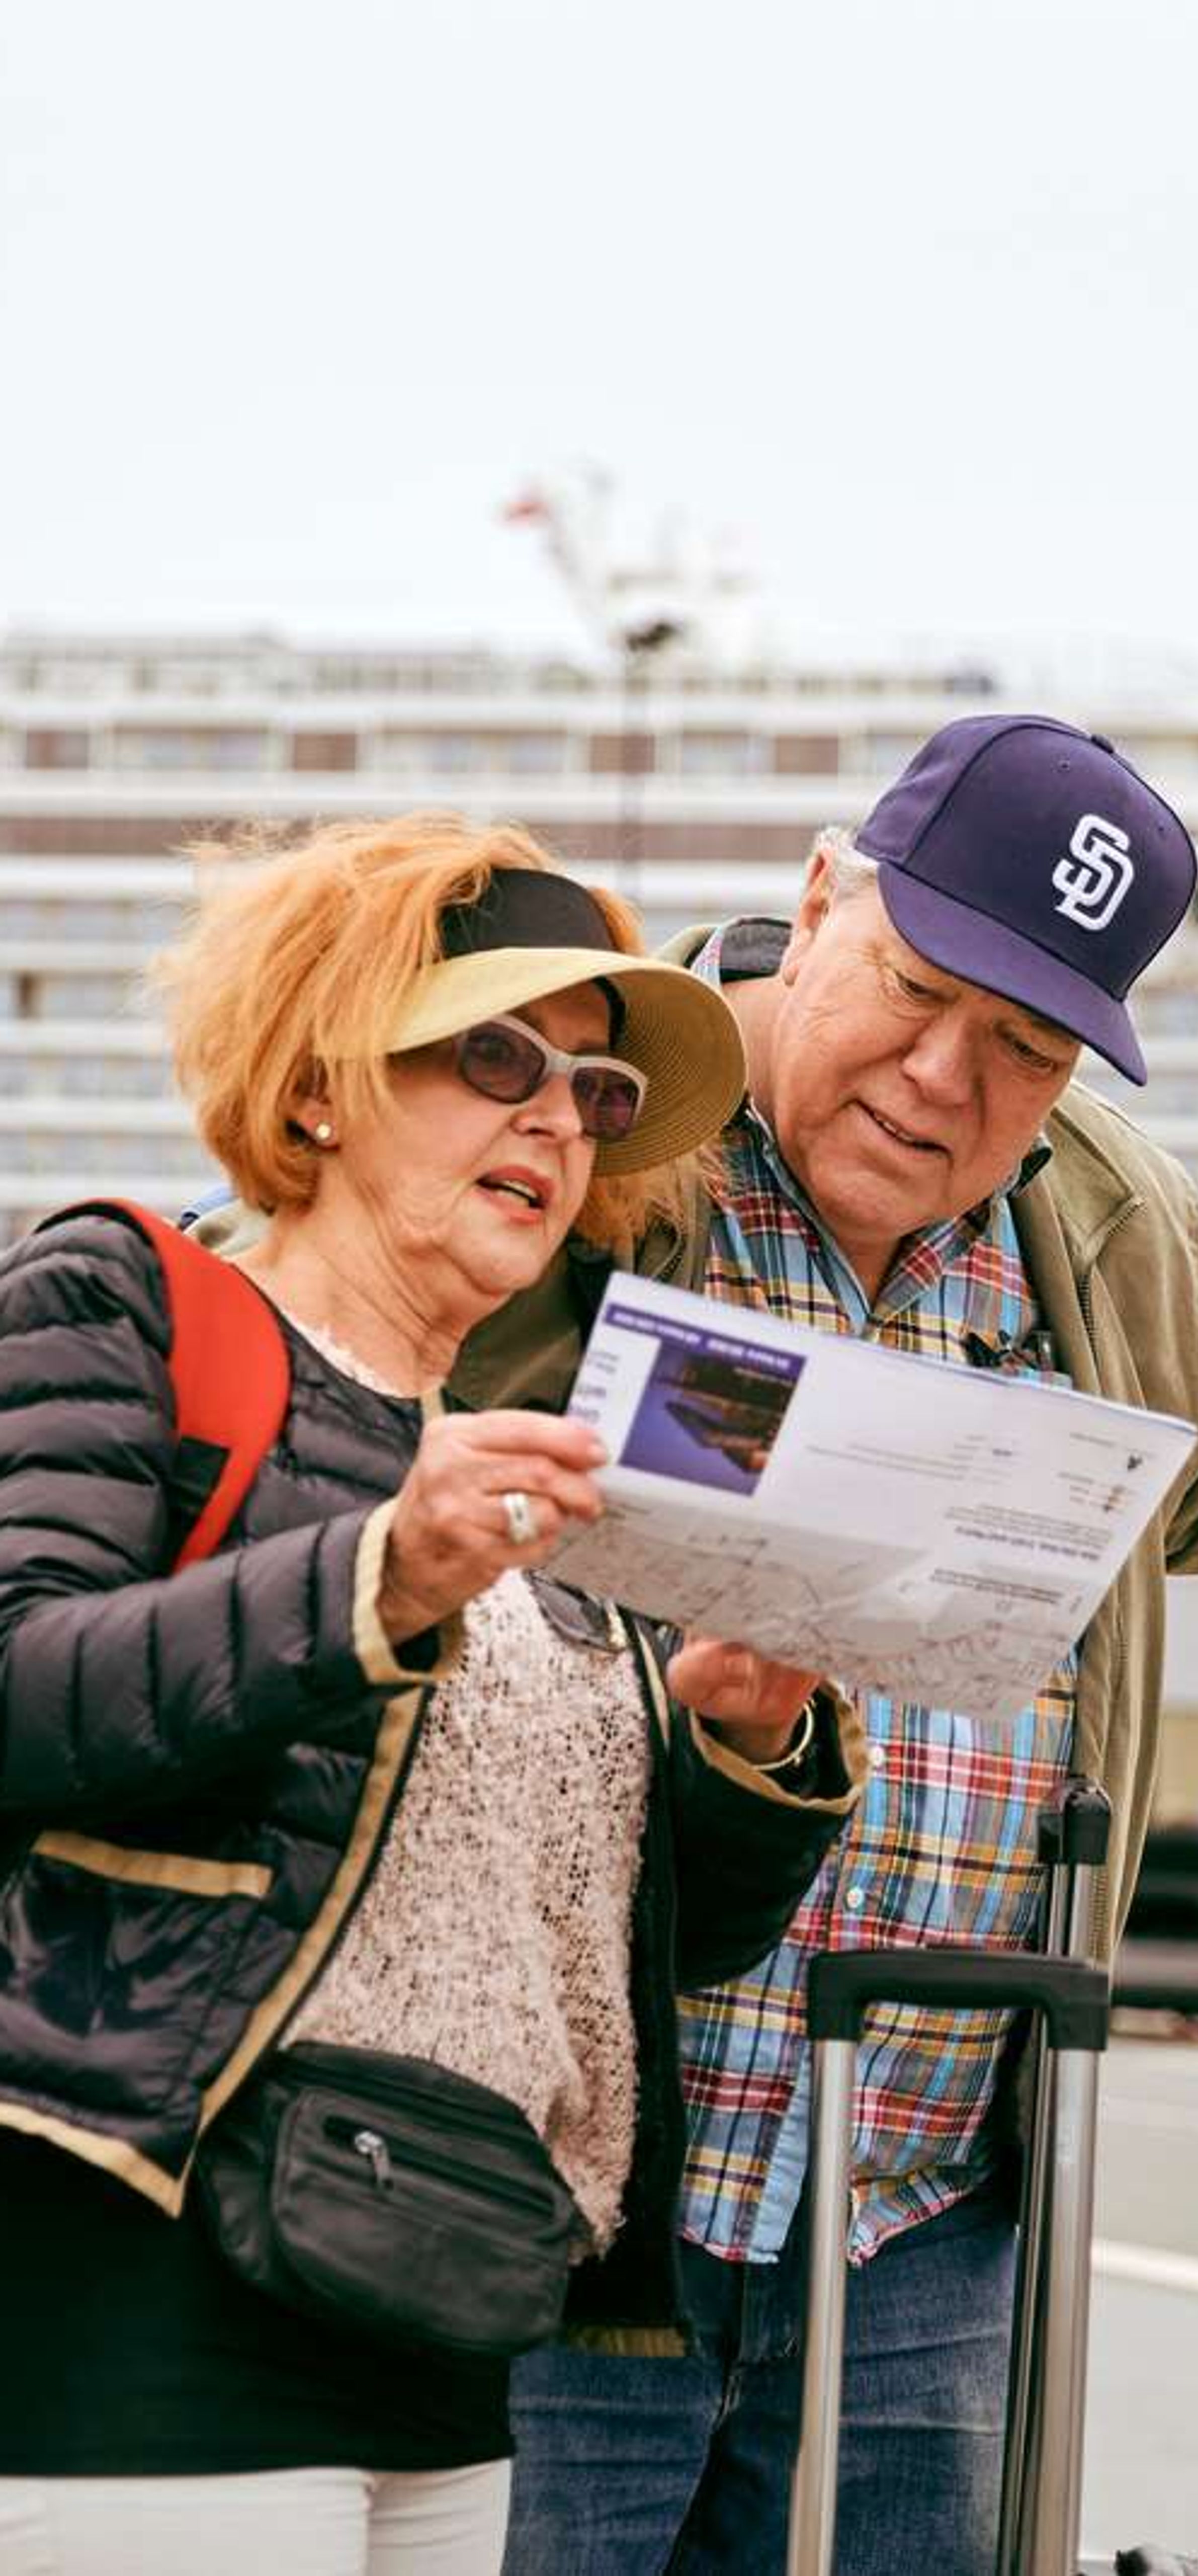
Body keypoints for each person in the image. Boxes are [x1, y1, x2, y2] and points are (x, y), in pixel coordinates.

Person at [452, 715, 1198, 2575]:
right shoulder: (607, 1115)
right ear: (821, 900)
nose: (946, 1079)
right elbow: (361, 1412)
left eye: (1028, 1048)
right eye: (915, 987)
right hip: (562, 2180)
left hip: (919, 2215)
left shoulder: (1100, 1215)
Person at [0, 815, 866, 2576]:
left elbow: (637, 1943)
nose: (557, 1119)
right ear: (318, 1085)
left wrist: (745, 1739)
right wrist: (374, 1578)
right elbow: (22, 1689)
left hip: (455, 2316)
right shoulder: (131, 1303)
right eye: (496, 1056)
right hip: (157, 2291)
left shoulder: (550, 1477)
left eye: (597, 1096)